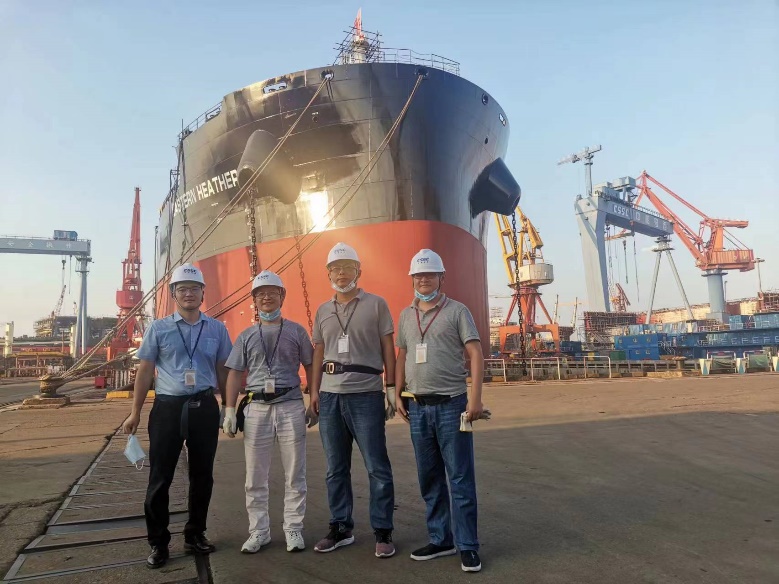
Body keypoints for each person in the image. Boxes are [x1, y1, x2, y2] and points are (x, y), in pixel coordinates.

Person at [122, 263, 232, 569]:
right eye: (182, 289)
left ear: (203, 293)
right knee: (160, 477)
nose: (188, 294)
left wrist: (229, 407)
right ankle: (158, 543)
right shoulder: (159, 329)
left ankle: (195, 534)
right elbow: (145, 371)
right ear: (173, 294)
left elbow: (224, 369)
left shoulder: (217, 329)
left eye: (194, 289)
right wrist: (135, 413)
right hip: (168, 408)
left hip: (204, 407)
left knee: (202, 475)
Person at [395, 249, 485, 573]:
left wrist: (475, 399)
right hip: (417, 407)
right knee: (429, 478)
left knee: (460, 478)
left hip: (451, 405)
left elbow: (476, 354)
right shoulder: (405, 315)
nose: (424, 280)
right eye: (418, 275)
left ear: (441, 278)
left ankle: (468, 545)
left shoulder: (458, 311)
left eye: (430, 274)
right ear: (412, 279)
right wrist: (396, 393)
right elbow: (402, 354)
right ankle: (440, 538)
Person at [308, 242, 398, 558]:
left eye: (348, 267)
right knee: (335, 468)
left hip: (366, 394)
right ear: (328, 274)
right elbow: (319, 352)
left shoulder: (376, 304)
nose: (342, 273)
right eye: (335, 268)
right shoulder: (322, 310)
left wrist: (391, 386)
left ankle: (383, 531)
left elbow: (388, 347)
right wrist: (314, 391)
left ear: (359, 271)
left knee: (377, 466)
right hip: (331, 396)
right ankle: (341, 528)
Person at [222, 270, 315, 554]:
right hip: (257, 408)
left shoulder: (297, 331)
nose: (266, 297)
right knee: (255, 475)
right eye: (260, 293)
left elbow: (311, 365)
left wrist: (315, 400)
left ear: (282, 296)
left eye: (272, 292)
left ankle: (293, 528)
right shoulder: (246, 336)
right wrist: (229, 410)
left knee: (295, 472)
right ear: (254, 299)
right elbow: (235, 373)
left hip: (290, 404)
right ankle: (259, 531)